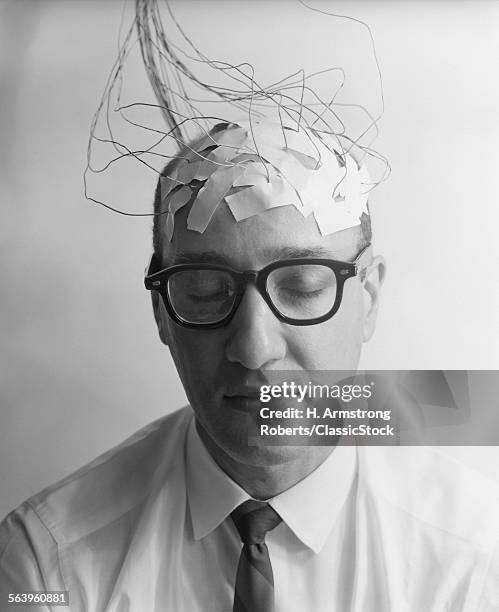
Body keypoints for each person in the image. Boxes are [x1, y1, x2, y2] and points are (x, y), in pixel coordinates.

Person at [1, 120, 498, 612]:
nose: (254, 348)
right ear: (161, 311)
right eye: (204, 289)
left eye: (302, 286)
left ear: (367, 297)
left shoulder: (476, 559)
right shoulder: (47, 566)